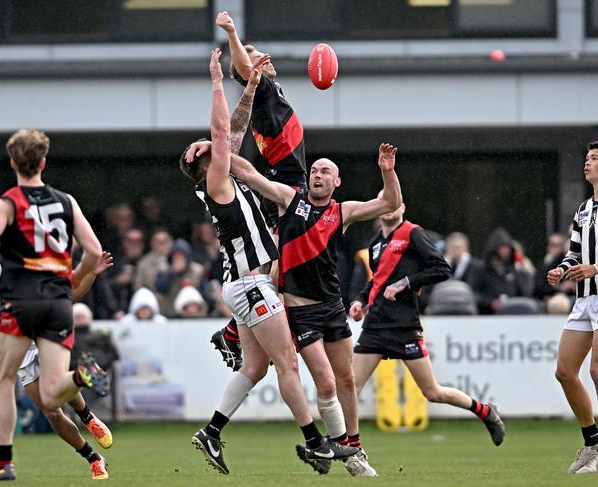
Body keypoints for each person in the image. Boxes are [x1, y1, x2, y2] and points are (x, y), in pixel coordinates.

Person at [181, 49, 357, 475]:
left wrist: (253, 86)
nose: (210, 148)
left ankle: (212, 432)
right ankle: (316, 443)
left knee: (255, 366)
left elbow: (235, 129)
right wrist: (219, 81)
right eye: (203, 151)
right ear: (203, 166)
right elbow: (224, 130)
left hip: (240, 283)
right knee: (288, 363)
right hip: (252, 283)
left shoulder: (221, 178)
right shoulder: (218, 179)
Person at [0, 128, 108, 481]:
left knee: (3, 378)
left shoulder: (8, 202)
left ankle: (5, 463)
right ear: (43, 162)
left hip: (22, 300)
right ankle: (82, 376)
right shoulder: (66, 201)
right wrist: (74, 275)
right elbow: (95, 250)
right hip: (57, 301)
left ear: (13, 163)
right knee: (54, 390)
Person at [349, 205, 506, 450]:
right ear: (379, 210)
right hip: (376, 326)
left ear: (402, 207)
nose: (389, 209)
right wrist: (359, 301)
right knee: (350, 387)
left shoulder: (412, 233)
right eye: (385, 204)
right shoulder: (375, 244)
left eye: (394, 204)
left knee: (433, 392)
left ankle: (485, 411)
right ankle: (345, 445)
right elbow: (375, 282)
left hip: (404, 326)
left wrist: (406, 283)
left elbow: (442, 269)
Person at [210, 10, 311, 370]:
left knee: (276, 260)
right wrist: (234, 33)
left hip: (284, 182)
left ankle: (235, 333)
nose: (263, 59)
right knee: (281, 261)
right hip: (285, 183)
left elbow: (245, 71)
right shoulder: (262, 88)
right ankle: (242, 331)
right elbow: (241, 70)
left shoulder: (269, 90)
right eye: (255, 57)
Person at [0, 255, 114, 481]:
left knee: (54, 391)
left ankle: (88, 417)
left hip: (44, 336)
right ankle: (94, 458)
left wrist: (92, 273)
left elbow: (71, 296)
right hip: (22, 347)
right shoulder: (4, 270)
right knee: (51, 410)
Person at [548, 141, 598, 474]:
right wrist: (562, 269)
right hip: (585, 299)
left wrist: (596, 269)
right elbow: (575, 253)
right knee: (565, 371)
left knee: (597, 371)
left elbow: (591, 263)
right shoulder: (584, 209)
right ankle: (592, 443)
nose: (587, 162)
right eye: (586, 158)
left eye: (594, 158)